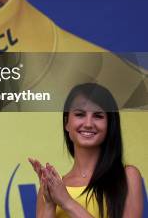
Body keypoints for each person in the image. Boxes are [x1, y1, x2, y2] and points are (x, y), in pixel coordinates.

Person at [28, 82, 144, 218]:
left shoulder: (127, 176)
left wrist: (67, 202)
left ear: (110, 124)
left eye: (98, 116)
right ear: (67, 123)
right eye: (80, 114)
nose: (88, 124)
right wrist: (49, 202)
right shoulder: (52, 187)